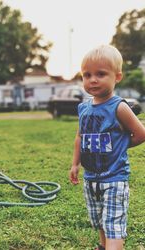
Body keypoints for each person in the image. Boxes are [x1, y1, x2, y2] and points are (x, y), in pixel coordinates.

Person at [69, 44, 145, 250]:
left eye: (101, 74)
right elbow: (79, 136)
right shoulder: (83, 108)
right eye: (87, 75)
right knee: (100, 219)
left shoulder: (119, 106)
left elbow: (141, 133)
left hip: (114, 178)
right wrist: (75, 164)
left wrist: (120, 145)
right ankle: (103, 246)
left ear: (117, 77)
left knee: (113, 223)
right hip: (91, 178)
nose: (93, 79)